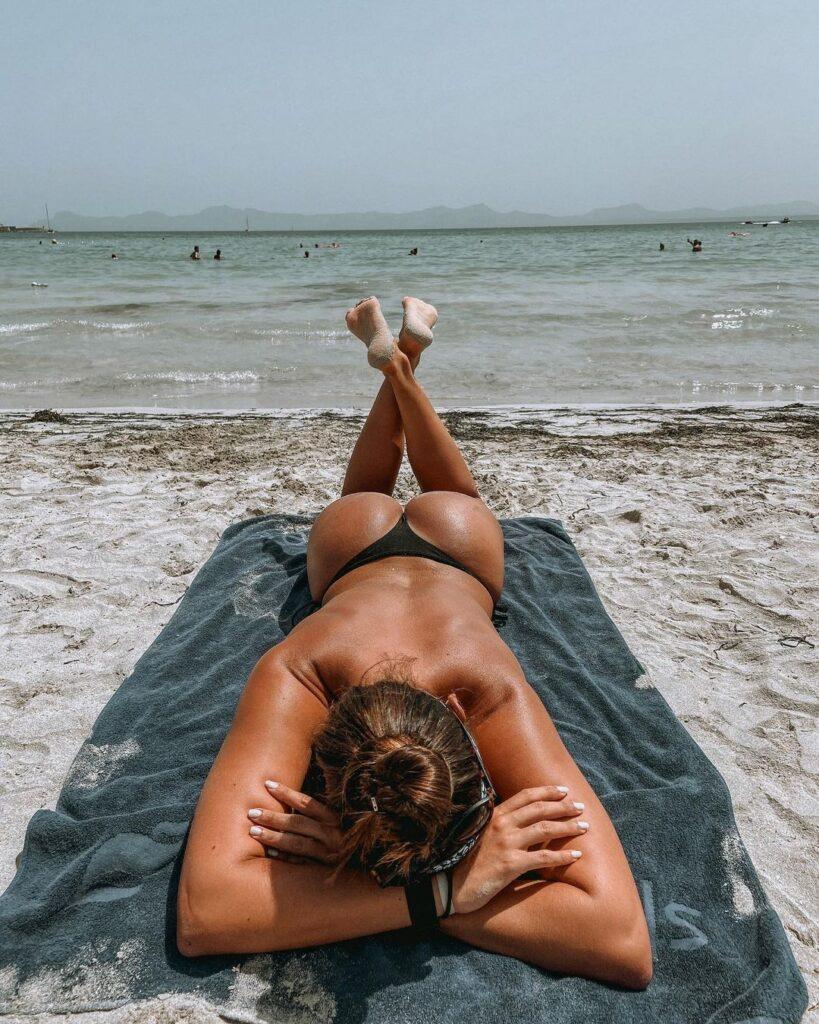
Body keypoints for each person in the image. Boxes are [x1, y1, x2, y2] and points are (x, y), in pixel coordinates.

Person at [176, 296, 653, 989]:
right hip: (363, 554)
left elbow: (210, 914)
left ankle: (402, 361)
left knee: (403, 490)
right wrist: (451, 888)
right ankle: (399, 362)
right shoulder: (451, 685)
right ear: (459, 720)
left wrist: (400, 885)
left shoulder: (317, 671)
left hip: (444, 559)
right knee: (424, 490)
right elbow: (616, 938)